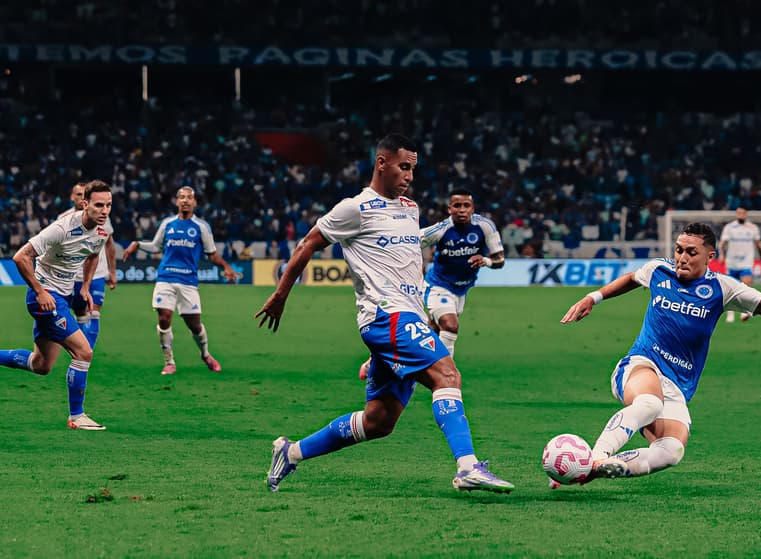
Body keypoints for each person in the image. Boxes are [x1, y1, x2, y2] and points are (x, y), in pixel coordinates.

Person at [255, 134, 514, 494]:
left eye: (413, 169)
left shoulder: (410, 209)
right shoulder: (355, 208)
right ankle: (468, 466)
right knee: (447, 375)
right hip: (385, 319)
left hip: (405, 319)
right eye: (403, 166)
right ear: (382, 163)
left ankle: (292, 452)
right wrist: (281, 294)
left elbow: (406, 271)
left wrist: (420, 320)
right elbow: (308, 243)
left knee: (378, 421)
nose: (409, 175)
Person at [558, 223, 761, 485]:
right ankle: (597, 456)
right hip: (641, 365)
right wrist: (593, 297)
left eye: (690, 252)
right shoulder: (659, 270)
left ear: (710, 256)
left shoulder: (723, 288)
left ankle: (589, 470)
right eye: (678, 250)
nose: (682, 258)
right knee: (649, 404)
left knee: (670, 451)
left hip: (676, 384)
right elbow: (631, 279)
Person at [0, 181, 114, 430]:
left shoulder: (102, 232)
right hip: (46, 298)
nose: (104, 210)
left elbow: (93, 254)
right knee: (84, 352)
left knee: (41, 365)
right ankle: (77, 416)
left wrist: (84, 286)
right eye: (98, 205)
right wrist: (39, 291)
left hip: (61, 295)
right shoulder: (62, 228)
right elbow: (21, 257)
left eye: (108, 205)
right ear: (85, 204)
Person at [357, 189, 504, 379]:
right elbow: (408, 241)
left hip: (461, 290)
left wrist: (486, 261)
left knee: (429, 330)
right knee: (450, 325)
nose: (462, 210)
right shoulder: (441, 230)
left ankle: (375, 361)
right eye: (457, 205)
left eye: (466, 206)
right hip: (438, 286)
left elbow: (500, 260)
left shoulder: (485, 227)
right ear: (449, 208)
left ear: (473, 208)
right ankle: (445, 373)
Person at [122, 186, 237, 375]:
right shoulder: (168, 224)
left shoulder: (201, 227)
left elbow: (212, 255)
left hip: (188, 282)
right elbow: (155, 246)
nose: (185, 201)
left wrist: (226, 267)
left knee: (194, 325)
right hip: (165, 277)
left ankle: (205, 354)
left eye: (189, 198)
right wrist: (138, 244)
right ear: (176, 201)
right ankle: (169, 362)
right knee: (164, 318)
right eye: (181, 197)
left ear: (195, 203)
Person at [58, 181, 118, 350]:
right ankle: (81, 349)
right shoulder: (64, 219)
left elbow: (109, 245)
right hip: (73, 276)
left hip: (97, 274)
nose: (80, 197)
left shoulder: (102, 217)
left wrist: (112, 271)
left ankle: (86, 352)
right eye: (78, 194)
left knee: (94, 312)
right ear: (73, 197)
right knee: (81, 314)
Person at [718, 207, 761, 322]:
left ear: (746, 214)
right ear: (736, 214)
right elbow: (722, 243)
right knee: (729, 290)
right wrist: (721, 254)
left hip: (746, 263)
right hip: (731, 263)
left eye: (743, 213)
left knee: (746, 288)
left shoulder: (753, 228)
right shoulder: (729, 227)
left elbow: (759, 245)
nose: (741, 215)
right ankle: (730, 314)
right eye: (739, 213)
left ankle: (745, 312)